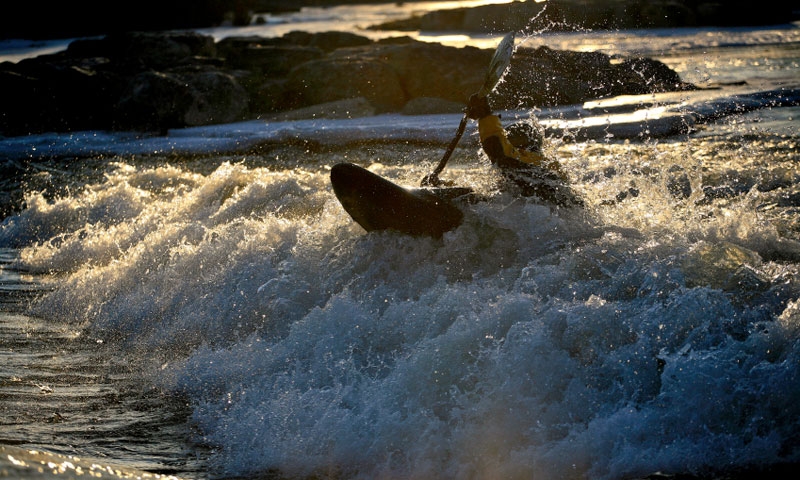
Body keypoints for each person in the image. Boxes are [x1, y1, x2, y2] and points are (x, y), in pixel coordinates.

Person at [465, 94, 584, 208]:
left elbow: (497, 149)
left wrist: (485, 115)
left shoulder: (529, 164)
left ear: (521, 148)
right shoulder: (547, 169)